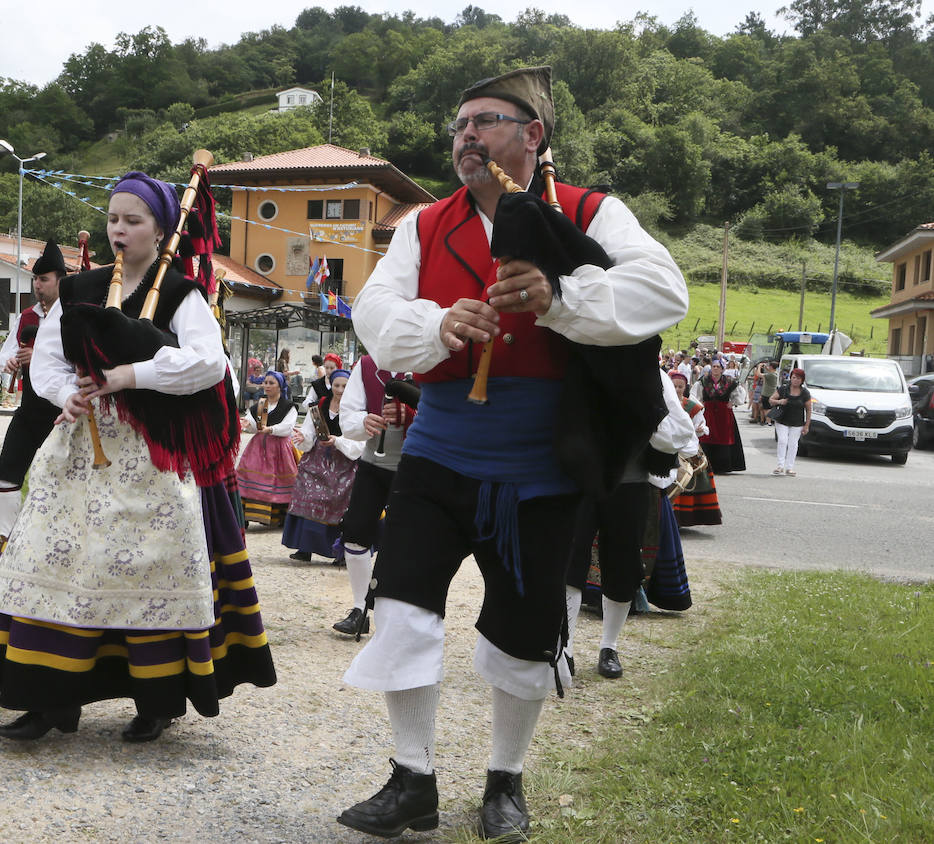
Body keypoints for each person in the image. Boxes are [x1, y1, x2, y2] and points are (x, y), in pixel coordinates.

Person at [335, 66, 688, 840]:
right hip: (440, 443)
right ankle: (412, 778)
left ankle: (505, 781)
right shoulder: (426, 225)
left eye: (485, 121)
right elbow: (376, 310)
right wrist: (437, 325)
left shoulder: (592, 212)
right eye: (458, 125)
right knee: (401, 602)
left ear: (532, 136)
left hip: (543, 456)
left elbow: (664, 291)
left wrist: (561, 300)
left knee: (526, 627)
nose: (466, 136)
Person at [0, 170, 275, 744]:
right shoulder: (80, 290)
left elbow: (209, 364)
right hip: (79, 452)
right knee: (57, 563)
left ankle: (156, 700)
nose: (119, 231)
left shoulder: (179, 292)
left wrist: (132, 373)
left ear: (160, 229)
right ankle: (46, 698)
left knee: (143, 570)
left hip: (151, 459)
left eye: (133, 221)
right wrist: (64, 393)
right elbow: (47, 360)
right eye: (112, 219)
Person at [566, 369, 697, 681]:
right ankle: (565, 647)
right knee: (570, 561)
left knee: (623, 566)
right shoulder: (580, 354)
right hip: (579, 479)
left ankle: (608, 647)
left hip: (632, 481)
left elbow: (682, 433)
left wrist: (641, 418)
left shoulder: (649, 371)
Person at [0, 239, 68, 567]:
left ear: (60, 280)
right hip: (30, 407)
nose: (38, 286)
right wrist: (10, 361)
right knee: (6, 473)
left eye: (44, 280)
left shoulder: (75, 314)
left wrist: (37, 355)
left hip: (63, 411)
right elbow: (5, 354)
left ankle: (56, 548)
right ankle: (8, 544)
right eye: (35, 281)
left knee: (59, 479)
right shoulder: (27, 315)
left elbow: (77, 361)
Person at [331, 355, 415, 639]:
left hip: (414, 464)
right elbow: (348, 414)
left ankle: (397, 614)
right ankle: (359, 609)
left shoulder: (427, 357)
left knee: (406, 538)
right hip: (372, 463)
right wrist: (363, 420)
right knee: (355, 530)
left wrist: (411, 416)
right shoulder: (367, 365)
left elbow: (445, 410)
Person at [281, 368, 361, 563]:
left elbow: (359, 441)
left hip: (344, 463)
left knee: (341, 503)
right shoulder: (319, 406)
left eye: (344, 386)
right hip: (317, 459)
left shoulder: (356, 410)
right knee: (307, 493)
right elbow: (309, 431)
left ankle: (339, 551)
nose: (340, 390)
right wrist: (304, 437)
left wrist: (338, 441)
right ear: (330, 385)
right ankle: (305, 547)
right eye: (336, 385)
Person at [236, 371, 299, 528]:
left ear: (280, 386)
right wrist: (246, 424)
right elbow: (253, 425)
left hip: (279, 449)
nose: (267, 386)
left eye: (271, 383)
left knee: (280, 479)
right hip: (258, 447)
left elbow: (288, 427)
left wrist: (270, 429)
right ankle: (245, 515)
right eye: (265, 382)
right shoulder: (260, 405)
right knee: (251, 476)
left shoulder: (288, 406)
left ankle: (281, 516)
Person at [669, 371, 722, 526]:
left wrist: (700, 429)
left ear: (685, 388)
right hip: (669, 445)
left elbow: (702, 425)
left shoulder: (692, 406)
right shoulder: (664, 403)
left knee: (688, 481)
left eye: (680, 386)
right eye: (674, 386)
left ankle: (684, 517)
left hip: (688, 448)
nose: (677, 389)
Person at [699, 359, 746, 474]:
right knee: (706, 436)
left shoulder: (729, 381)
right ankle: (706, 464)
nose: (715, 369)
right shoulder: (704, 380)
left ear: (722, 369)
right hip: (708, 413)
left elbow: (740, 394)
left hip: (724, 414)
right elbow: (696, 395)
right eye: (713, 366)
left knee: (723, 436)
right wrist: (700, 405)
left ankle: (722, 466)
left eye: (718, 367)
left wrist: (733, 402)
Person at [770, 367, 812, 476]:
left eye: (798, 378)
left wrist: (807, 425)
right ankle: (780, 466)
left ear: (802, 380)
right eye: (794, 377)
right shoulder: (783, 389)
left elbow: (808, 409)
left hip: (797, 422)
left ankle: (789, 467)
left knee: (793, 444)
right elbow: (771, 400)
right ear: (790, 378)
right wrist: (780, 401)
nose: (796, 380)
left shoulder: (805, 393)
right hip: (782, 420)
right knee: (783, 441)